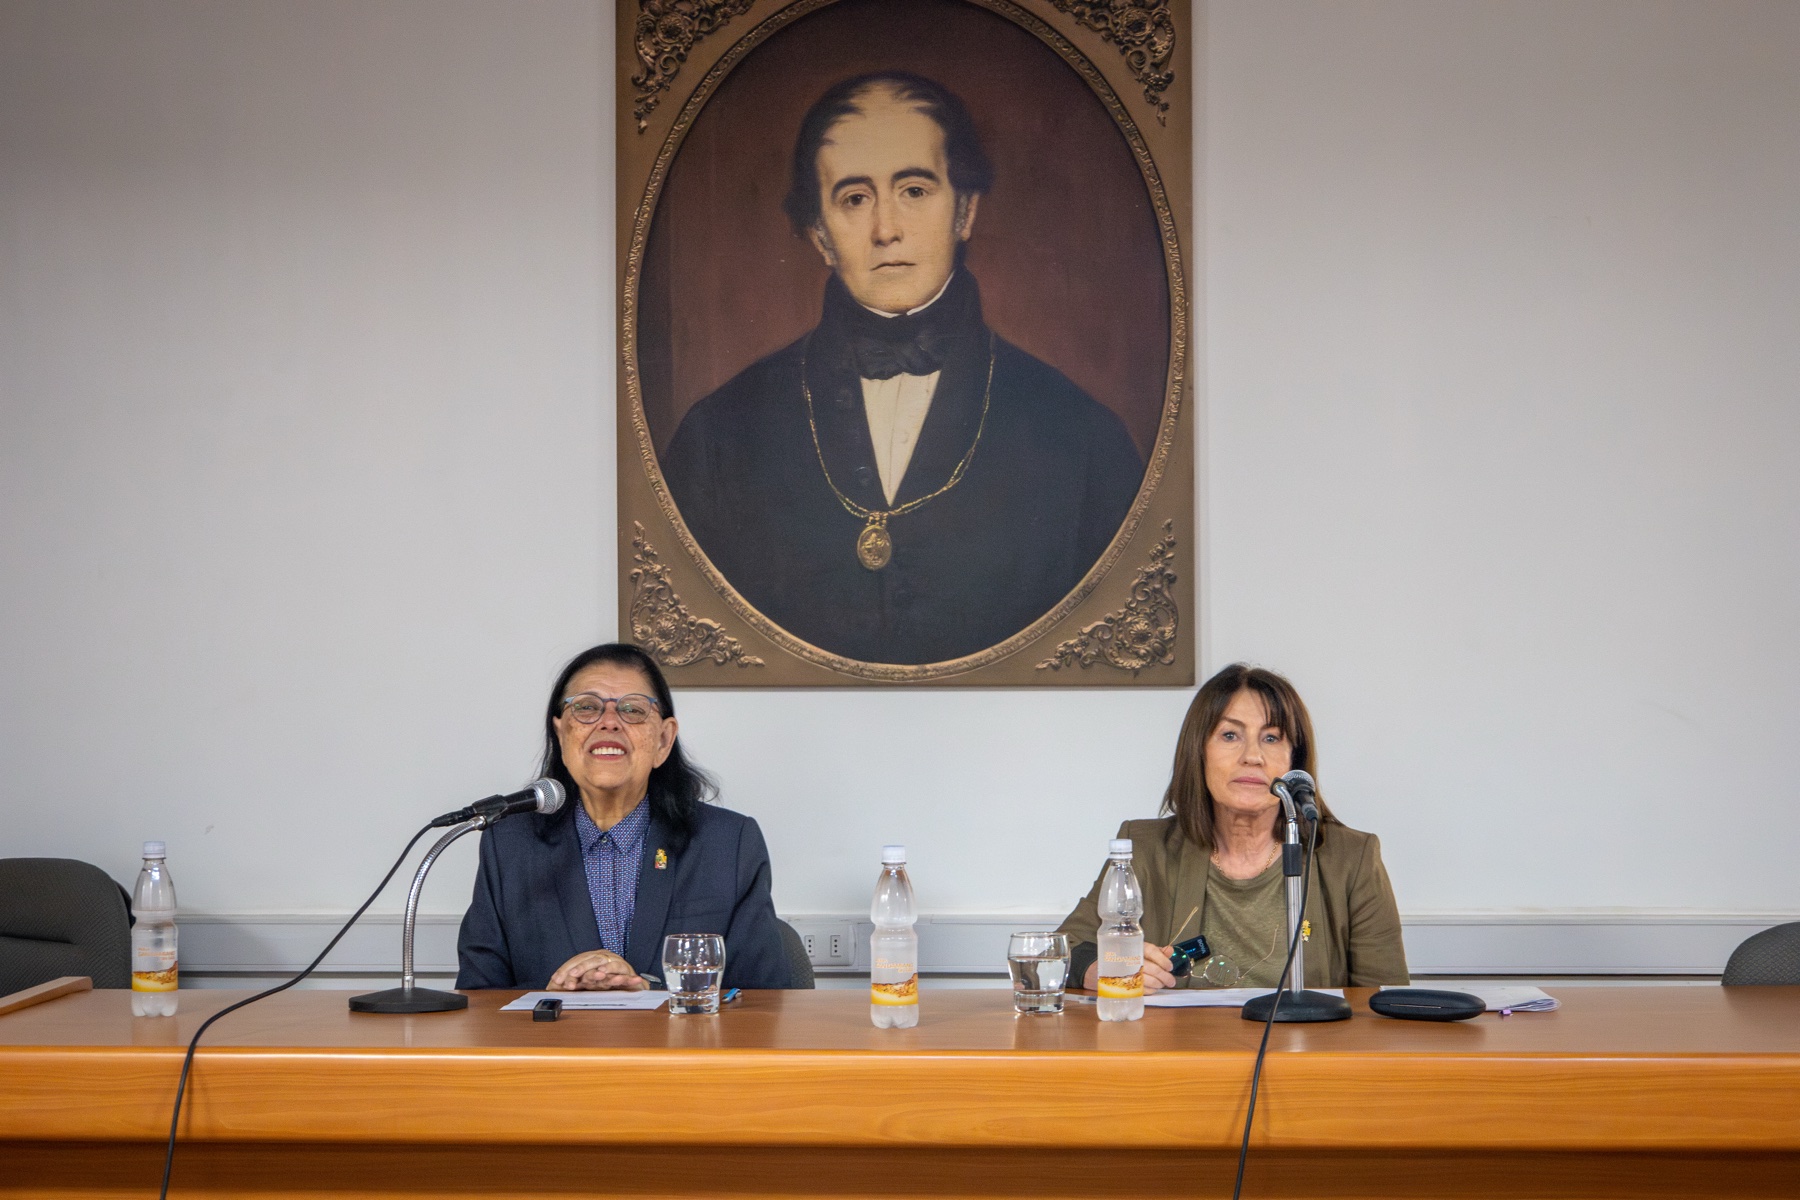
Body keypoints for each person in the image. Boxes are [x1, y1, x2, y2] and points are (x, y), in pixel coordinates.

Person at [660, 71, 1145, 666]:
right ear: (818, 235)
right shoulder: (716, 436)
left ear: (964, 209)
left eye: (914, 190)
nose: (886, 229)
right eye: (854, 198)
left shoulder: (1085, 441)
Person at [456, 643, 791, 990]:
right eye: (587, 708)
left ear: (663, 740)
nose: (609, 723)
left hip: (678, 1045)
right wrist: (552, 999)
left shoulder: (728, 844)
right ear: (560, 734)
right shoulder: (509, 843)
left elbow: (765, 1002)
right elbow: (479, 999)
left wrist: (649, 992)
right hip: (553, 1044)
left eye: (632, 710)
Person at [1058, 664, 1409, 991]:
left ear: (1293, 761)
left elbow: (1383, 1003)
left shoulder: (1351, 858)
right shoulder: (1146, 848)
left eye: (1271, 738)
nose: (1252, 756)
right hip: (1182, 1054)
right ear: (1199, 752)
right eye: (1230, 735)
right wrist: (1100, 967)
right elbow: (1065, 949)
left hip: (1307, 1055)